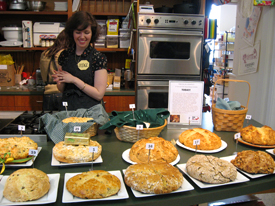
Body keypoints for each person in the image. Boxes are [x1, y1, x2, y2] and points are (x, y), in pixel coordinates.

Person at [52, 11, 108, 111]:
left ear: (92, 33)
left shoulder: (98, 58)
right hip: (68, 109)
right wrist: (60, 81)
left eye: (86, 32)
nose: (82, 37)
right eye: (78, 32)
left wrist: (74, 80)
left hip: (91, 112)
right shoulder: (65, 55)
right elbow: (61, 89)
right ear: (72, 32)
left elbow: (99, 95)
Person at [39, 30, 71, 111]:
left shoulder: (45, 53)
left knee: (49, 122)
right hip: (61, 92)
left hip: (47, 93)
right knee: (64, 122)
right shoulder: (65, 53)